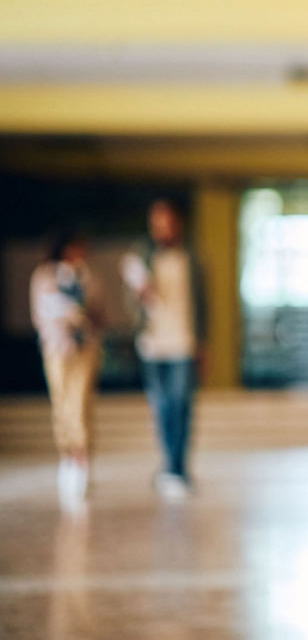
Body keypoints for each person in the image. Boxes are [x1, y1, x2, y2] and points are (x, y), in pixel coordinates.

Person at [121, 198, 204, 501]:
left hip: (183, 342)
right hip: (153, 343)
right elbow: (132, 305)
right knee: (162, 407)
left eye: (167, 222)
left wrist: (204, 343)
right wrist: (140, 295)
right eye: (157, 223)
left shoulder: (191, 258)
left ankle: (179, 468)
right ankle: (169, 466)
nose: (162, 228)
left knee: (182, 405)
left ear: (177, 223)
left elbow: (203, 304)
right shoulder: (142, 257)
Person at [30, 230, 105, 509]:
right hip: (58, 348)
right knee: (61, 403)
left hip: (86, 349)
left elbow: (101, 314)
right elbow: (40, 314)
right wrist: (62, 316)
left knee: (80, 403)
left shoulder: (90, 277)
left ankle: (82, 459)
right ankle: (67, 456)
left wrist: (83, 313)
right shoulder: (45, 276)